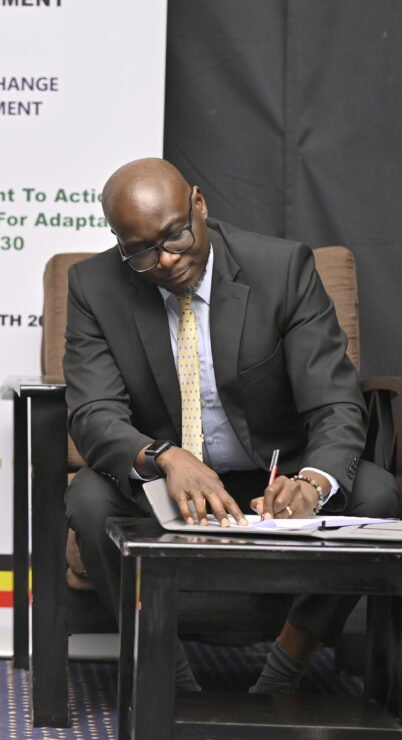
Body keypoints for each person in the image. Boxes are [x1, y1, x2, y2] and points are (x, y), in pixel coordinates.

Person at [63, 157, 398, 692]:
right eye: (141, 251)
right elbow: (94, 412)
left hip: (271, 481)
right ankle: (166, 676)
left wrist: (312, 482)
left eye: (176, 235)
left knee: (377, 495)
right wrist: (167, 457)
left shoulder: (282, 269)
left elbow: (335, 402)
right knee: (88, 500)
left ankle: (286, 665)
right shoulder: (93, 285)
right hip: (165, 483)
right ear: (119, 243)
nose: (166, 260)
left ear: (199, 202)